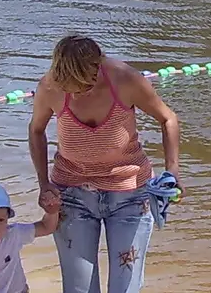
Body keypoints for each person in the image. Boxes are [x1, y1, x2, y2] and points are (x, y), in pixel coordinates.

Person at [29, 35, 181, 293]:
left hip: (131, 194)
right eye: (71, 88)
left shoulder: (125, 79)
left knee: (125, 287)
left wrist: (172, 172)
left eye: (83, 86)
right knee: (79, 289)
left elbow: (168, 119)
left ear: (97, 65)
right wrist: (44, 184)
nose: (76, 93)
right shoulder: (50, 87)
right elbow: (36, 131)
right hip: (72, 194)